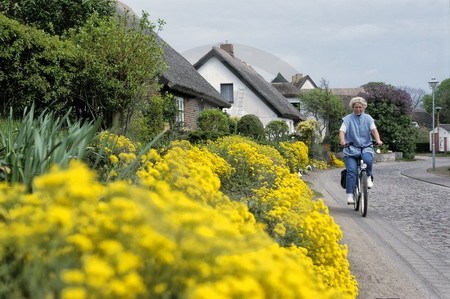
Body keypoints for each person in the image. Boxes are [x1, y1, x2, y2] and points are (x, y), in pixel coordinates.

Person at [339, 97, 383, 204]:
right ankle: (350, 195)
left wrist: (378, 140)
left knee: (368, 160)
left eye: (360, 107)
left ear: (363, 107)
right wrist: (342, 141)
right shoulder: (347, 119)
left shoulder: (368, 118)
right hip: (351, 149)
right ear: (352, 107)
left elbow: (374, 130)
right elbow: (342, 131)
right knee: (352, 172)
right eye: (356, 107)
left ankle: (368, 177)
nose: (358, 109)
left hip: (366, 147)